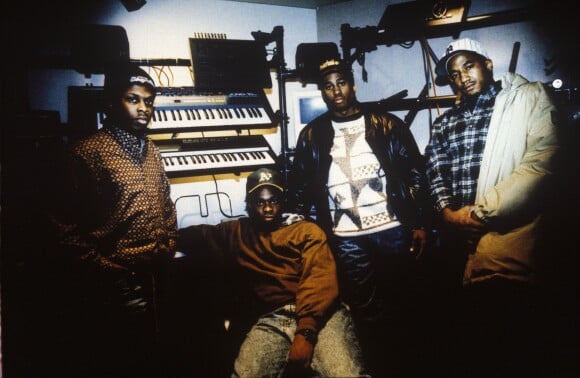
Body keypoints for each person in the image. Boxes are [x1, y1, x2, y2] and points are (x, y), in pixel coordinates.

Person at [425, 38, 561, 376]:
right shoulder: (444, 124)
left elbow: (540, 163)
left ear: (487, 63)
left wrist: (480, 212)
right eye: (454, 74)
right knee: (467, 343)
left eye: (468, 66)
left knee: (514, 339)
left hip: (505, 235)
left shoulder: (514, 106)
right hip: (457, 241)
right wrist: (446, 212)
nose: (462, 78)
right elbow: (435, 170)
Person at [286, 58, 431, 376]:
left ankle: (412, 364)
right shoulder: (312, 135)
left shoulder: (387, 124)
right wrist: (299, 232)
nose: (336, 90)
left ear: (352, 85)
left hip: (392, 231)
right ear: (322, 92)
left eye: (341, 82)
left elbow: (415, 173)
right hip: (346, 240)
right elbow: (299, 189)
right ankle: (376, 367)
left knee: (404, 301)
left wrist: (419, 222)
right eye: (328, 85)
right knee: (365, 311)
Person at [50, 63, 178, 378]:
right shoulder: (85, 153)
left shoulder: (152, 150)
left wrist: (170, 242)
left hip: (158, 276)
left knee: (160, 357)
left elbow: (166, 203)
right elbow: (64, 230)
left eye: (148, 101)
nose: (144, 108)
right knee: (122, 361)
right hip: (114, 285)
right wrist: (112, 275)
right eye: (133, 99)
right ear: (111, 103)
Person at [177, 167, 366, 378]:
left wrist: (305, 333)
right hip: (275, 317)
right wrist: (167, 239)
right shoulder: (239, 232)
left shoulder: (306, 231)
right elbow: (203, 235)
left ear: (282, 202)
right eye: (260, 202)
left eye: (273, 200)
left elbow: (319, 280)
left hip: (322, 316)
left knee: (344, 374)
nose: (267, 208)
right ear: (249, 205)